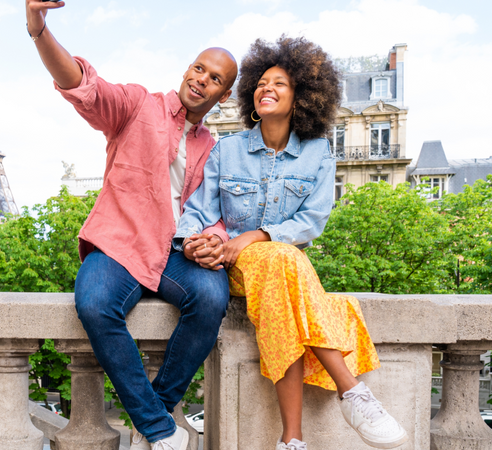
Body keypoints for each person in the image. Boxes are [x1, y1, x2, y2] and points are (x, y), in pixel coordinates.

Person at [25, 0, 238, 450]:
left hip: (176, 253)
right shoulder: (138, 106)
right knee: (95, 303)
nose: (201, 79)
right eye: (198, 68)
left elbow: (220, 211)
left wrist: (216, 240)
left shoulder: (216, 149)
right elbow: (83, 86)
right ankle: (162, 429)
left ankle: (153, 417)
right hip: (120, 246)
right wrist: (39, 28)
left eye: (215, 79)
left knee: (211, 298)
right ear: (187, 69)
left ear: (224, 95)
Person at [174, 36, 409, 450]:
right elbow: (197, 209)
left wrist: (257, 235)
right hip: (237, 269)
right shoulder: (227, 150)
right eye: (262, 82)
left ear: (301, 96)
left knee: (281, 267)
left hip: (281, 274)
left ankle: (292, 440)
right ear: (250, 94)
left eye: (280, 83)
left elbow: (312, 220)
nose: (267, 88)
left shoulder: (319, 153)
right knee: (282, 262)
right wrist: (191, 241)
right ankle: (351, 392)